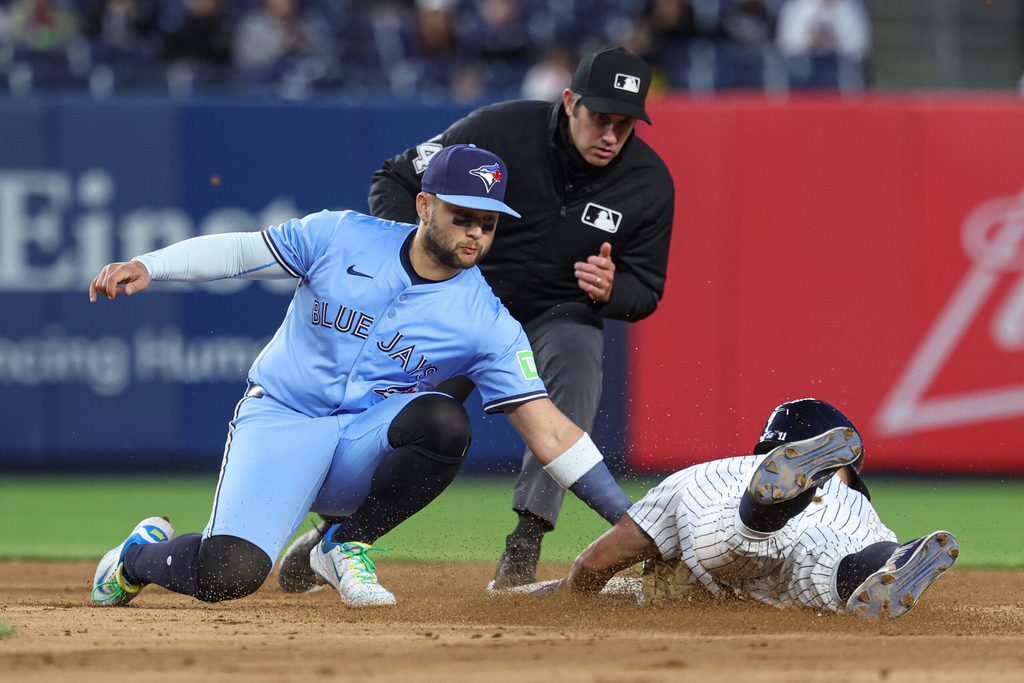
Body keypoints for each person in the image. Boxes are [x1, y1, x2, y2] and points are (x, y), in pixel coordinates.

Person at [87, 144, 632, 609]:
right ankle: (134, 559)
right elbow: (240, 251)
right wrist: (151, 265)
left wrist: (634, 523)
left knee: (444, 421)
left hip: (360, 446)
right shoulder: (341, 235)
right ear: (423, 205)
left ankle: (344, 542)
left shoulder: (486, 321)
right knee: (228, 573)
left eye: (487, 222)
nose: (475, 232)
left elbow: (552, 434)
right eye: (461, 215)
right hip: (282, 419)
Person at [277, 45, 675, 593]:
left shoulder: (649, 183)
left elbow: (646, 290)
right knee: (411, 420)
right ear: (569, 101)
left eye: (624, 124)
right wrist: (417, 263)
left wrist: (613, 290)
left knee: (577, 370)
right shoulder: (501, 131)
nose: (610, 133)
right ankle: (339, 529)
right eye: (599, 117)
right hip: (462, 309)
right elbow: (394, 178)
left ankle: (523, 549)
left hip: (559, 311)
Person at [528, 398, 959, 619]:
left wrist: (573, 598)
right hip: (843, 540)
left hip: (728, 509)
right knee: (830, 570)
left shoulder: (706, 473)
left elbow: (601, 559)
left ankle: (765, 508)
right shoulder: (859, 506)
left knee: (732, 541)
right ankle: (893, 559)